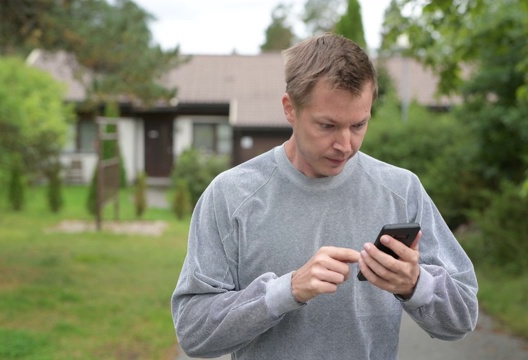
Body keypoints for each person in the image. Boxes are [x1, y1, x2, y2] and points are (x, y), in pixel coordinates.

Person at [171, 33, 478, 360]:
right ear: (290, 109)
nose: (345, 144)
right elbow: (193, 332)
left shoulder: (402, 191)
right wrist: (285, 292)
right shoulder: (231, 195)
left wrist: (415, 285)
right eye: (327, 126)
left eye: (359, 124)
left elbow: (462, 318)